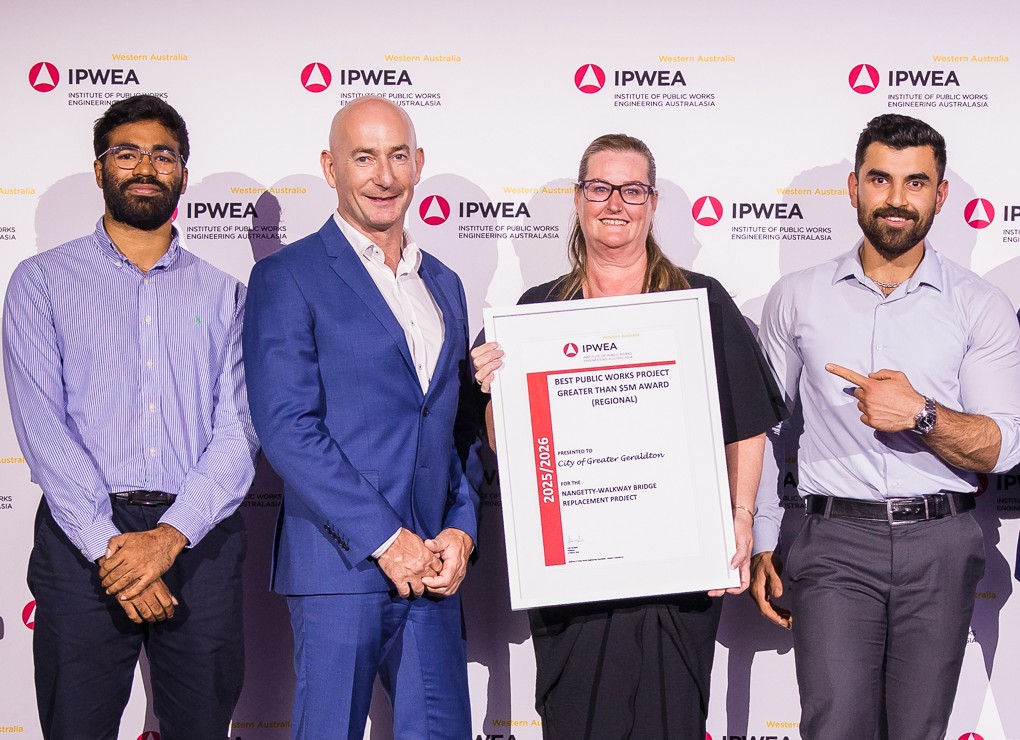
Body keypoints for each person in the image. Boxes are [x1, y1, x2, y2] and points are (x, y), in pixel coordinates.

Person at [471, 133, 786, 739]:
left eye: (632, 189)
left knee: (671, 718)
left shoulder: (699, 300)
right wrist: (497, 395)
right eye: (600, 188)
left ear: (653, 201)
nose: (615, 202)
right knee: (578, 719)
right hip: (575, 575)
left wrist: (741, 516)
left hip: (679, 565)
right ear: (579, 198)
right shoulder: (536, 310)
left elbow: (746, 422)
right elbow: (504, 444)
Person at [750, 113, 1020, 739]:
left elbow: (1003, 447)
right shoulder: (797, 296)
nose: (897, 200)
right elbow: (764, 428)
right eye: (881, 179)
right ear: (853, 187)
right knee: (835, 726)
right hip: (834, 543)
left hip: (941, 544)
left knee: (918, 729)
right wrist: (765, 535)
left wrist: (920, 416)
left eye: (916, 182)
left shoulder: (979, 305)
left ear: (941, 194)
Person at [2, 94, 259, 739]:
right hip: (79, 535)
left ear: (182, 173)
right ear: (99, 169)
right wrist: (110, 549)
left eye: (163, 155)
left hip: (197, 537)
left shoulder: (225, 294)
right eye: (127, 153)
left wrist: (169, 537)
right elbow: (40, 421)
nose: (146, 166)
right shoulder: (40, 282)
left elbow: (239, 429)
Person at [242, 96, 480, 740]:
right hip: (338, 568)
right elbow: (288, 427)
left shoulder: (447, 284)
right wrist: (386, 538)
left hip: (433, 568)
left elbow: (456, 428)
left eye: (398, 155)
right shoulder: (286, 277)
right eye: (364, 157)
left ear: (418, 163)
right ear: (330, 167)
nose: (384, 175)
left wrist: (460, 530)